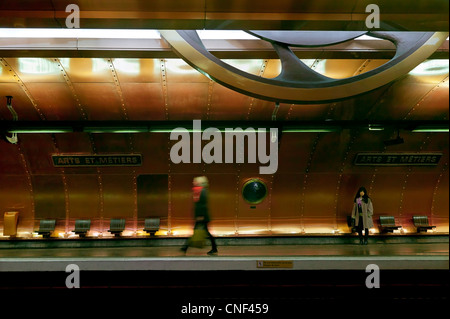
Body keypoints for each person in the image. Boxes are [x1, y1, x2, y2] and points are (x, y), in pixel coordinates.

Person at [181, 176, 218, 255]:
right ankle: (185, 247)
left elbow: (203, 205)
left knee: (203, 232)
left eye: (195, 181)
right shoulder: (198, 191)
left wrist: (200, 216)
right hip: (201, 216)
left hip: (202, 216)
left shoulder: (202, 191)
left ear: (200, 182)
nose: (193, 182)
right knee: (203, 232)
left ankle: (185, 247)